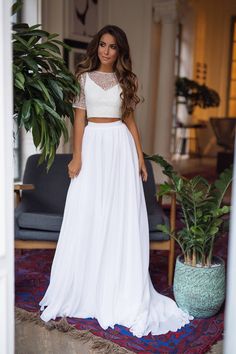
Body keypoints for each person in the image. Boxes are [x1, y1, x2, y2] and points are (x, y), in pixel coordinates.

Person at [39, 24, 192, 338]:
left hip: (120, 148)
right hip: (94, 147)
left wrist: (139, 156)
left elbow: (130, 121)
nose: (106, 51)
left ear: (120, 52)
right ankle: (87, 284)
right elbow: (79, 120)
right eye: (103, 45)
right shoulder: (82, 79)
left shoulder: (127, 80)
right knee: (90, 213)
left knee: (119, 216)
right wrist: (76, 156)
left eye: (112, 47)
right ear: (97, 47)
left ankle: (120, 284)